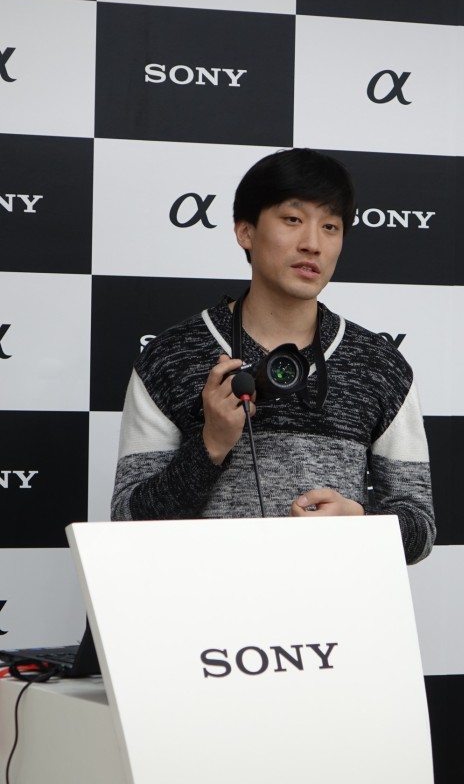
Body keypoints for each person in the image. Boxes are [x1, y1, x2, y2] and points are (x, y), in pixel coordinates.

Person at [111, 148, 435, 564]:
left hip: (333, 604)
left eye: (330, 226)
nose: (312, 244)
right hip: (203, 601)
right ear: (245, 232)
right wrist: (210, 444)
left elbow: (420, 529)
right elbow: (127, 524)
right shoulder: (171, 357)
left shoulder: (380, 365)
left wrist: (359, 524)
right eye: (292, 219)